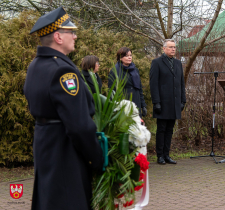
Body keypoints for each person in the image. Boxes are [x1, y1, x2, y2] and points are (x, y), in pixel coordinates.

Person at [24, 7, 103, 210]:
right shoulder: (63, 71)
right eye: (71, 32)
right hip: (64, 152)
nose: (75, 36)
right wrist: (97, 158)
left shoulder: (36, 65)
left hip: (46, 147)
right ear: (58, 37)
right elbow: (79, 125)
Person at [149, 39, 186, 165]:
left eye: (174, 47)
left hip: (175, 103)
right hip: (162, 103)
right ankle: (159, 156)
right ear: (164, 49)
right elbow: (153, 84)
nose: (173, 49)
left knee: (170, 130)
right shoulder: (157, 62)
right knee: (161, 129)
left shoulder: (177, 63)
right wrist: (156, 102)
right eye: (170, 47)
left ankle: (167, 154)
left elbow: (181, 83)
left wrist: (183, 100)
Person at [108, 47, 147, 117]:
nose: (129, 57)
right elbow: (111, 91)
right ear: (120, 58)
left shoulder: (135, 70)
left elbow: (139, 89)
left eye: (130, 55)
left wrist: (143, 105)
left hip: (136, 103)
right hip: (123, 105)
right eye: (126, 56)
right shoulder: (115, 71)